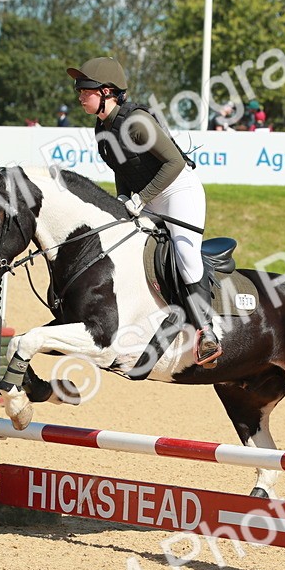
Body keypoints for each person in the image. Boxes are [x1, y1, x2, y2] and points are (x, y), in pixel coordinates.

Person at [66, 56, 222, 366]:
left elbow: (175, 163)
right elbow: (121, 170)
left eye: (85, 88)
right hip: (147, 197)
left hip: (179, 191)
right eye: (78, 88)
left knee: (185, 255)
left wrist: (140, 199)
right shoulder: (102, 131)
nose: (79, 94)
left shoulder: (137, 122)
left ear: (107, 92)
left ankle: (207, 332)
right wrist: (122, 200)